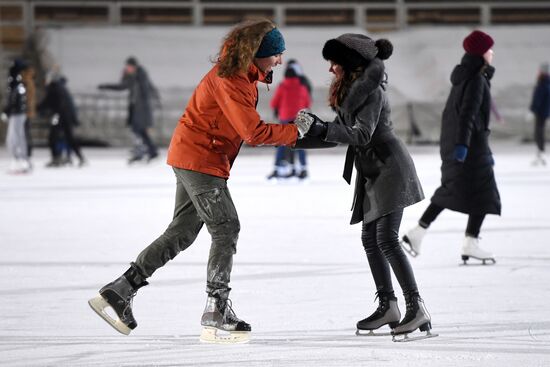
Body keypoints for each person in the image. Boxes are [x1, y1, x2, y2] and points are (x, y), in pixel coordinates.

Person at [88, 19, 307, 344]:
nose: (279, 60)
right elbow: (254, 132)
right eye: (275, 54)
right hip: (201, 158)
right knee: (226, 227)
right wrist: (296, 131)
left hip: (197, 156)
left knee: (183, 231)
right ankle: (216, 309)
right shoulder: (231, 79)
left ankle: (120, 290)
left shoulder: (241, 76)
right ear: (257, 53)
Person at [293, 33, 434, 340]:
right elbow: (341, 134)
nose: (331, 69)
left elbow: (361, 135)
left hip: (390, 167)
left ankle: (416, 306)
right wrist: (298, 140)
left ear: (351, 63)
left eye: (335, 63)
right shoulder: (351, 90)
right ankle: (388, 306)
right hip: (373, 169)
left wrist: (321, 127)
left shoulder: (371, 93)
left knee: (386, 238)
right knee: (370, 239)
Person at [401, 30, 500, 265]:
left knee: (460, 190)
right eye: (489, 49)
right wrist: (463, 147)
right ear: (481, 52)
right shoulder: (475, 79)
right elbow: (467, 114)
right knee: (479, 192)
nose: (492, 52)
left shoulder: (466, 76)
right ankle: (467, 241)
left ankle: (423, 233)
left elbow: (455, 115)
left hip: (462, 143)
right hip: (470, 146)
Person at [98, 57, 160, 164]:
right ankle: (152, 151)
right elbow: (123, 86)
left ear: (134, 66)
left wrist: (152, 105)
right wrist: (123, 77)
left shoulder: (140, 76)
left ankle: (141, 152)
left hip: (141, 110)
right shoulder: (134, 76)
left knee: (137, 130)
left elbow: (147, 91)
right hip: (135, 108)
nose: (127, 68)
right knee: (140, 131)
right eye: (127, 67)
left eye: (129, 67)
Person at [267, 61, 311, 180]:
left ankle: (278, 169)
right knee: (299, 143)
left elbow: (273, 103)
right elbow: (307, 103)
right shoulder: (302, 87)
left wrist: (278, 110)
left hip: (285, 119)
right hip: (299, 120)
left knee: (282, 143)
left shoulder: (282, 86)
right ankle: (303, 169)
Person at [39, 72, 86, 167]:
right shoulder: (60, 88)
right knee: (68, 137)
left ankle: (57, 158)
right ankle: (79, 157)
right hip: (65, 116)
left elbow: (48, 102)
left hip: (60, 116)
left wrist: (37, 108)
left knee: (53, 137)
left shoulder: (54, 88)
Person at [2, 59, 32, 174]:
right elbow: (11, 100)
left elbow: (15, 101)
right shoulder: (14, 82)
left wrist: (8, 111)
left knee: (18, 138)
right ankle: (17, 160)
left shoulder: (18, 83)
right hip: (16, 113)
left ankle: (23, 161)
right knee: (12, 139)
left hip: (18, 114)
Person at [529, 62, 550, 166]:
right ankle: (540, 153)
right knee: (539, 132)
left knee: (539, 133)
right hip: (543, 112)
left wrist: (533, 109)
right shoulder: (545, 82)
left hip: (541, 112)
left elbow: (538, 98)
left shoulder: (543, 83)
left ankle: (541, 153)